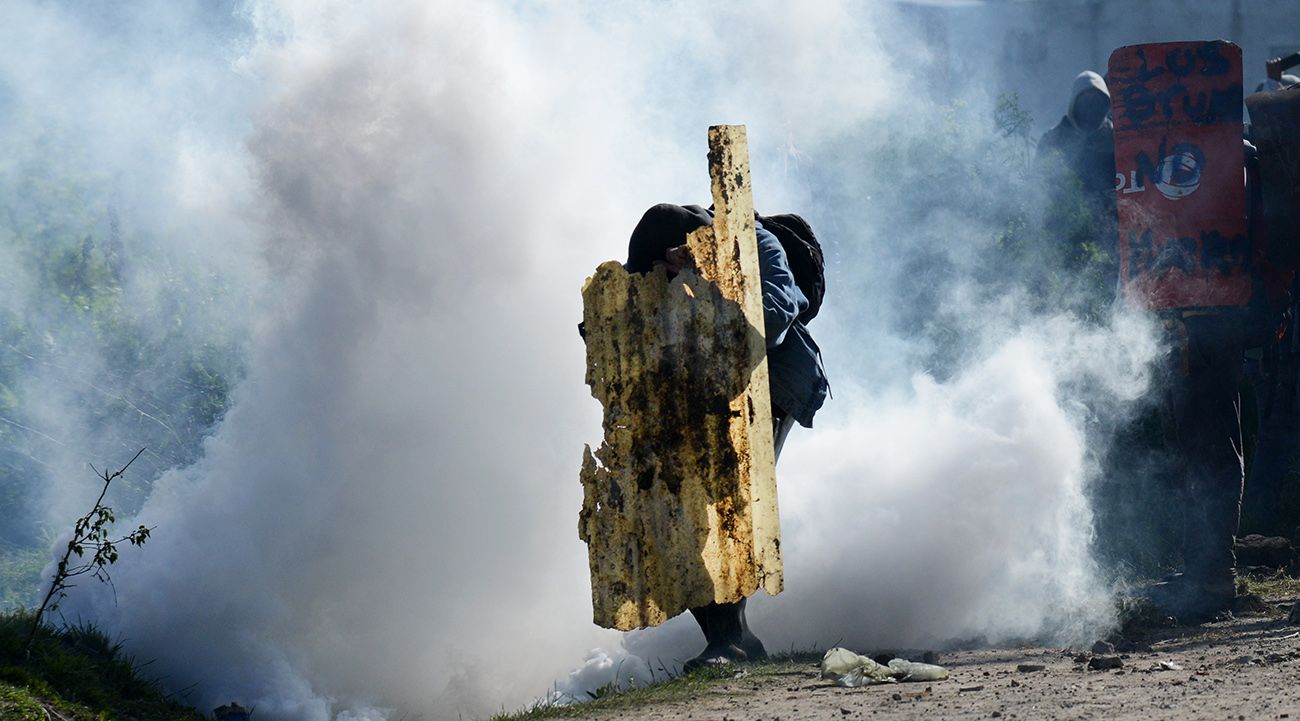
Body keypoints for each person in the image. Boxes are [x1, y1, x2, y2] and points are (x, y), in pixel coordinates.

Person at [623, 203, 829, 670]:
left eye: (663, 267)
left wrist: (703, 272)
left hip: (769, 386)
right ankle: (731, 639)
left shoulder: (754, 241)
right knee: (678, 517)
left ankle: (732, 642)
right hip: (698, 389)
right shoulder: (659, 261)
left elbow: (773, 314)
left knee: (727, 507)